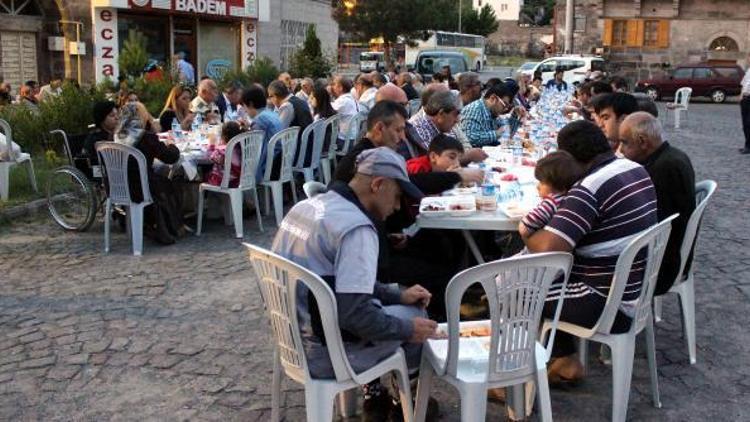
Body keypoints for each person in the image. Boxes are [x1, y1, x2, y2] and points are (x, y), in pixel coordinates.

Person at [272, 146, 438, 418]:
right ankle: (407, 405)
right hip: (326, 353)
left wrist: (393, 294)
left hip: (290, 338)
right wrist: (408, 329)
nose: (397, 207)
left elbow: (331, 283)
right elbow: (356, 315)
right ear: (378, 185)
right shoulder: (356, 229)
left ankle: (383, 396)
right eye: (397, 197)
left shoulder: (305, 207)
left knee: (405, 307)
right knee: (416, 315)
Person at [521, 120, 657, 382]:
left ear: (568, 160)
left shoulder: (588, 189)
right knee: (547, 274)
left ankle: (510, 381)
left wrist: (528, 232)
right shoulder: (633, 168)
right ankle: (564, 361)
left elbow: (548, 250)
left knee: (515, 290)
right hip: (633, 290)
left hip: (606, 302)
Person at [618, 112, 696, 296]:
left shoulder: (664, 169)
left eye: (625, 142)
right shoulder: (672, 155)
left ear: (643, 141)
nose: (620, 150)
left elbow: (650, 225)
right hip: (667, 251)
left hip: (660, 265)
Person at [114, 103, 184, 244]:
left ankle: (150, 221)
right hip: (141, 187)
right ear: (141, 116)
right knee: (173, 181)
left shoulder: (116, 135)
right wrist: (172, 144)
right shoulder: (145, 137)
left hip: (118, 187)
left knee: (160, 178)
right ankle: (172, 224)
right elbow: (171, 157)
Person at [517, 151, 584, 240]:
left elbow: (524, 228)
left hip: (542, 251)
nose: (538, 186)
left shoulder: (551, 202)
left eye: (542, 182)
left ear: (559, 185)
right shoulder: (571, 197)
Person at [240, 84, 283, 180]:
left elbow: (254, 147)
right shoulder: (272, 114)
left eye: (244, 107)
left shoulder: (260, 120)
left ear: (250, 104)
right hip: (280, 161)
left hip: (269, 167)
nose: (245, 111)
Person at [459, 82, 516, 147]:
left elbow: (505, 126)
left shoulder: (492, 110)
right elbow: (469, 137)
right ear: (493, 98)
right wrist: (496, 134)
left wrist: (515, 115)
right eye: (504, 105)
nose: (506, 109)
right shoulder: (474, 109)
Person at [205, 121, 245, 187]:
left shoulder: (222, 151)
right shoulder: (240, 149)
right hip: (239, 180)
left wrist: (211, 145)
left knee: (205, 174)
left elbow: (209, 157)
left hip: (226, 182)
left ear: (223, 136)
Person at [84, 100, 119, 166]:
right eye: (112, 115)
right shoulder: (95, 139)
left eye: (117, 114)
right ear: (102, 119)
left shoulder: (120, 134)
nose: (117, 118)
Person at [740, 57, 750, 154]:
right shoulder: (749, 71)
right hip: (745, 99)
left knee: (749, 123)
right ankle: (747, 144)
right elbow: (743, 84)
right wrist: (741, 96)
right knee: (745, 124)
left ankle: (748, 146)